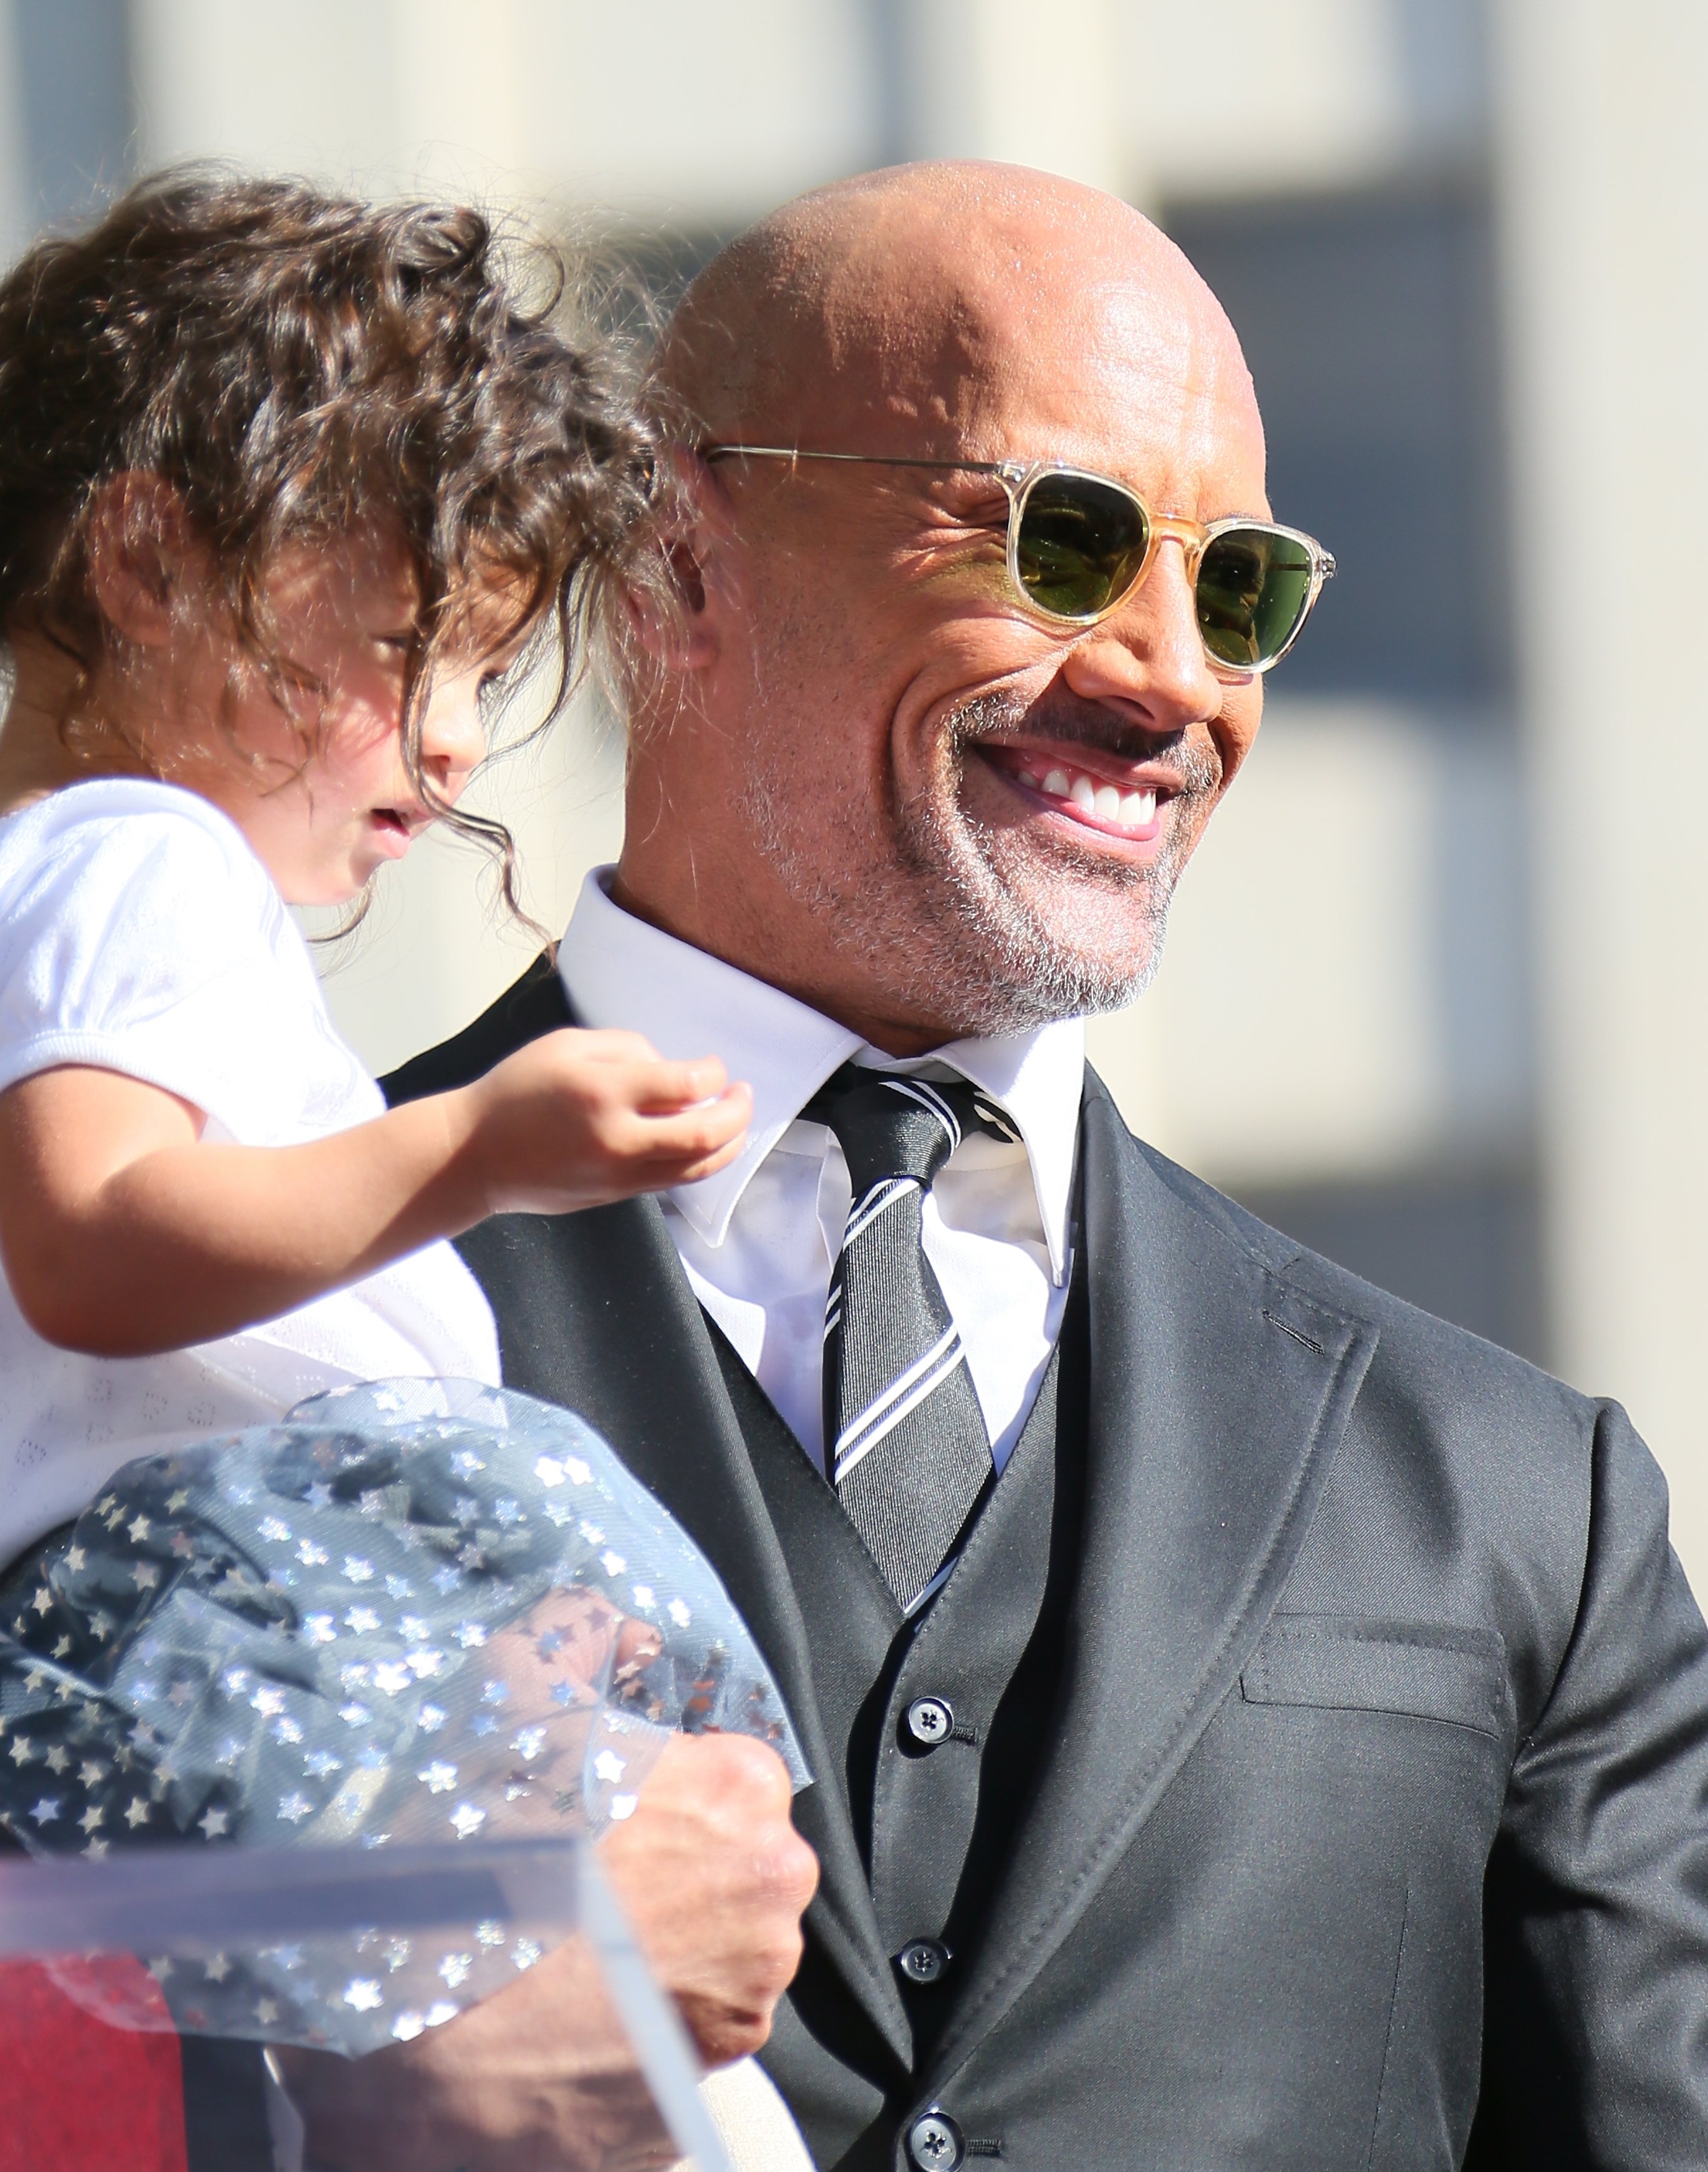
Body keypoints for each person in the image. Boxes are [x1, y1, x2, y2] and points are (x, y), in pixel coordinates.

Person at [377, 160, 1708, 2170]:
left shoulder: (1524, 1507)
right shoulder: (228, 1295)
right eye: (1068, 543)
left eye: (1238, 587)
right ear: (670, 553)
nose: (1176, 675)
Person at [0, 173, 818, 2164]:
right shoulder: (131, 856)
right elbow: (92, 1240)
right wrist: (474, 1146)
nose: (445, 750)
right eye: (406, 649)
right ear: (153, 558)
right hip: (245, 1671)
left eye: (481, 681)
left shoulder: (16, 899)